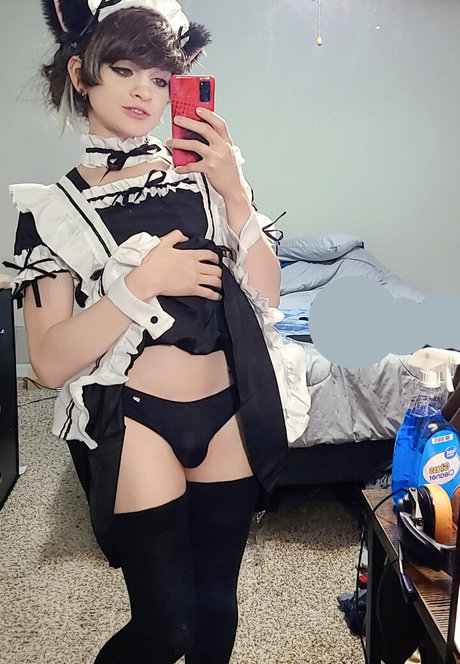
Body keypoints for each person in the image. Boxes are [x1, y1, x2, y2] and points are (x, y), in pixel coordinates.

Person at [6, 1, 310, 662]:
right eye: (125, 70)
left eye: (160, 77)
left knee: (215, 616)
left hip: (227, 413)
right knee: (166, 628)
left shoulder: (204, 177)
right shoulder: (51, 210)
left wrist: (235, 192)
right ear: (81, 74)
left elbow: (267, 295)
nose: (145, 91)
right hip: (139, 419)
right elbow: (50, 362)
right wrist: (140, 283)